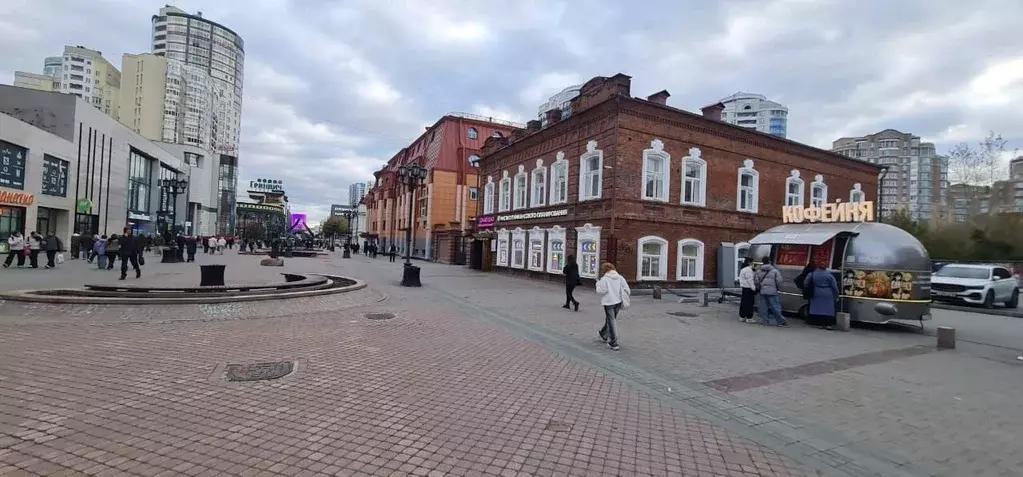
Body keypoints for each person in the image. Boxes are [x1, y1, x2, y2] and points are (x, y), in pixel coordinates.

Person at [596, 262, 630, 351]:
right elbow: (627, 289)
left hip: (609, 302)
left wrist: (597, 284)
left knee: (611, 321)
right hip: (618, 301)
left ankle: (613, 342)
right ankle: (604, 334)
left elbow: (601, 291)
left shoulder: (604, 279)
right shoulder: (620, 277)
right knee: (610, 319)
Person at [805, 262, 840, 330]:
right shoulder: (829, 275)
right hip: (827, 293)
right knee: (828, 309)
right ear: (826, 267)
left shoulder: (812, 273)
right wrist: (836, 295)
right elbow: (834, 286)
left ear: (818, 267)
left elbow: (806, 283)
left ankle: (818, 323)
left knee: (817, 308)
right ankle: (828, 324)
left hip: (816, 292)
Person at [755, 257, 788, 327]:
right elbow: (779, 281)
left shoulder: (758, 271)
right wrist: (777, 289)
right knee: (775, 307)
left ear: (763, 262)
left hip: (762, 292)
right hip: (772, 292)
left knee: (763, 307)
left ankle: (765, 321)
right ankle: (780, 321)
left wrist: (760, 287)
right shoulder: (775, 271)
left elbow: (756, 282)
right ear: (769, 261)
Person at [737, 258, 757, 323]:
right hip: (749, 288)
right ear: (749, 262)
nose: (753, 263)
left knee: (744, 302)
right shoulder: (748, 270)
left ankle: (742, 316)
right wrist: (754, 288)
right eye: (752, 262)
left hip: (744, 288)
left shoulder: (743, 269)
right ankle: (749, 317)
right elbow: (750, 280)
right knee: (750, 303)